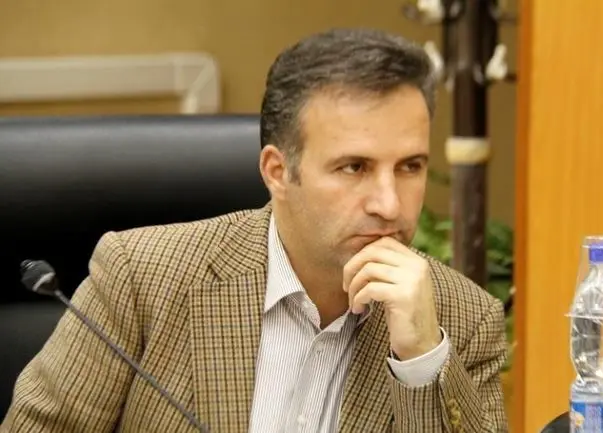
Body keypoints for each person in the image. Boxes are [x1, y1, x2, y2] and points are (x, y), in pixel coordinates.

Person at [1, 28, 508, 433]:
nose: (389, 204)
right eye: (354, 167)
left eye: (410, 167)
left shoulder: (463, 321)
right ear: (277, 172)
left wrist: (421, 360)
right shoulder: (143, 277)